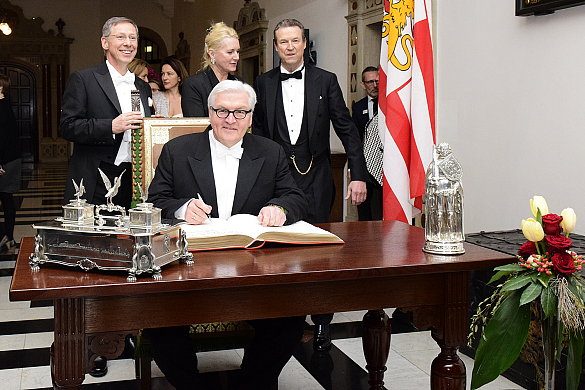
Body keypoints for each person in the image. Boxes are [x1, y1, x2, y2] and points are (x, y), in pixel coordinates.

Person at [146, 80, 308, 390]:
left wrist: (280, 209)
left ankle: (251, 383)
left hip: (254, 269)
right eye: (222, 111)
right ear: (209, 112)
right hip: (189, 271)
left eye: (239, 112)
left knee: (290, 321)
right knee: (160, 323)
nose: (230, 119)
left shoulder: (271, 152)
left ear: (250, 116)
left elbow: (296, 197)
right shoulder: (178, 150)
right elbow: (155, 200)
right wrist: (182, 209)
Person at [252, 18, 368, 351]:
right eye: (282, 42)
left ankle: (321, 322)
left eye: (294, 41)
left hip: (316, 178)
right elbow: (257, 133)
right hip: (276, 182)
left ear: (304, 43)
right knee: (276, 250)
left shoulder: (326, 80)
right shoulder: (263, 82)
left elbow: (347, 130)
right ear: (275, 47)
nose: (288, 47)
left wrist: (357, 174)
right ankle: (282, 319)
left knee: (320, 254)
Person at [59, 17, 152, 214]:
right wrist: (109, 127)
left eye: (133, 38)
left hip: (135, 178)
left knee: (129, 239)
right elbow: (67, 126)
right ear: (105, 42)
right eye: (120, 37)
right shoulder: (84, 79)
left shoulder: (142, 86)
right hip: (97, 177)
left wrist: (152, 125)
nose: (128, 43)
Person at [181, 22, 241, 117]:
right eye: (230, 52)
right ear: (212, 54)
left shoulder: (239, 83)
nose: (236, 57)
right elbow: (195, 127)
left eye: (237, 52)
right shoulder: (194, 85)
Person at [352, 66, 382, 221]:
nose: (374, 85)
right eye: (370, 82)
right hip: (366, 164)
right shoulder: (358, 107)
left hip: (386, 164)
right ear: (363, 84)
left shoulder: (389, 103)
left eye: (377, 81)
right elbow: (355, 137)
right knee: (365, 207)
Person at [0, 74, 21, 253]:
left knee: (6, 199)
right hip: (10, 159)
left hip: (5, 161)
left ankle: (7, 236)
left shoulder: (2, 107)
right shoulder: (6, 105)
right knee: (6, 199)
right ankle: (9, 237)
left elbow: (2, 138)